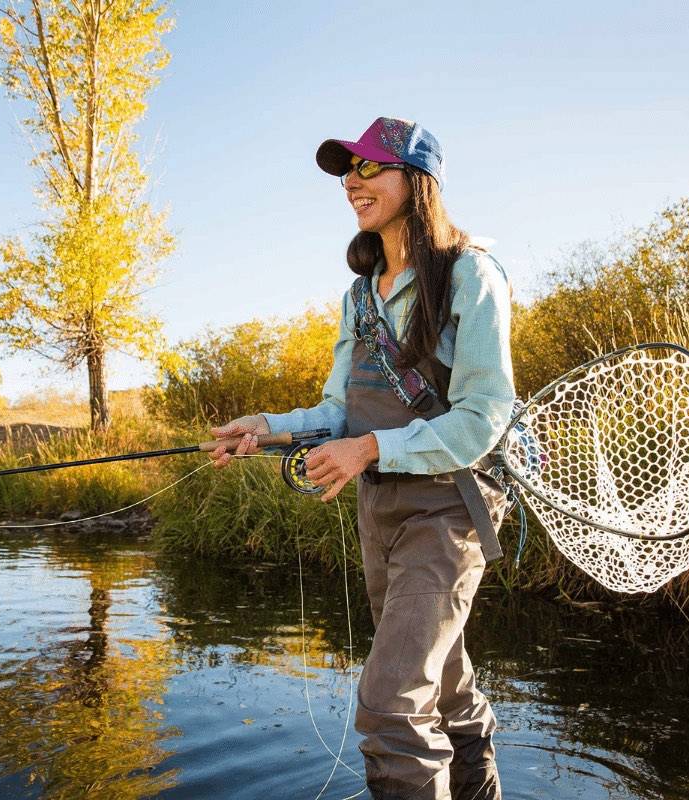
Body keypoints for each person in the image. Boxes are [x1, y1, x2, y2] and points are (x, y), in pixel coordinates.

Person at [210, 117, 515, 800]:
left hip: (449, 509)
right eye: (347, 170)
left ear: (417, 181)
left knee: (391, 707)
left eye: (370, 167)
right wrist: (268, 428)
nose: (353, 181)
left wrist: (370, 447)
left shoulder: (472, 275)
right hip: (381, 509)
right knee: (441, 680)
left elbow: (485, 417)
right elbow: (336, 412)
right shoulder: (358, 295)